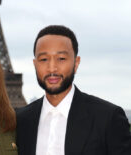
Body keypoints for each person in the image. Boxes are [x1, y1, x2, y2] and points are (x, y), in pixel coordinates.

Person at [16, 25, 131, 155]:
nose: (52, 68)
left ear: (76, 63)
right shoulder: (20, 121)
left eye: (61, 59)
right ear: (35, 64)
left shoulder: (108, 118)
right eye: (44, 59)